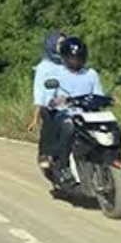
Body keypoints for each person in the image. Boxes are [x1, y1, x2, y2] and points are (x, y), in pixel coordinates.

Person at [38, 37, 104, 189]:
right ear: (64, 57)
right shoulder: (56, 74)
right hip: (65, 114)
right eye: (72, 58)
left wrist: (105, 99)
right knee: (68, 126)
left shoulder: (91, 74)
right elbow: (48, 98)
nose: (75, 61)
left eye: (78, 58)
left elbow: (98, 94)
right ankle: (63, 166)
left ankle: (111, 159)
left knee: (113, 126)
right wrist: (55, 101)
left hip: (87, 115)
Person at [27, 29, 66, 167]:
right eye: (60, 43)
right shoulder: (44, 67)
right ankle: (46, 154)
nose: (63, 46)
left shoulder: (71, 63)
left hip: (73, 107)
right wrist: (35, 119)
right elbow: (39, 95)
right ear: (52, 44)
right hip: (52, 108)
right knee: (50, 124)